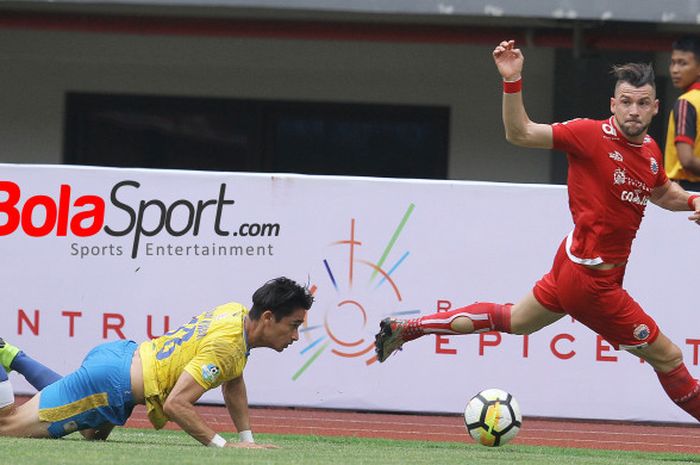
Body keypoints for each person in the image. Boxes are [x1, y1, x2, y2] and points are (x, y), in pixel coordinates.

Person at [375, 40, 700, 421]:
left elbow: (662, 192)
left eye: (642, 103)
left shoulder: (648, 150)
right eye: (626, 102)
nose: (634, 110)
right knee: (669, 357)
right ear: (612, 105)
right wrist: (512, 81)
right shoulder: (588, 135)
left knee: (514, 320)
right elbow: (521, 133)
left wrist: (694, 201)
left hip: (573, 265)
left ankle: (410, 327)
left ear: (655, 108)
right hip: (592, 283)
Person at [0, 276, 313, 447]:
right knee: (6, 428)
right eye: (294, 325)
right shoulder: (228, 346)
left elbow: (234, 379)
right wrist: (223, 445)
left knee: (89, 432)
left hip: (119, 362)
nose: (296, 336)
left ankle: (13, 355)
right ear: (269, 318)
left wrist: (247, 439)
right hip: (112, 383)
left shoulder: (235, 314)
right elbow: (176, 405)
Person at [665, 35, 700, 191]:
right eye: (673, 63)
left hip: (686, 191)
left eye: (682, 63)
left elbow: (686, 160)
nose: (675, 70)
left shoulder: (686, 103)